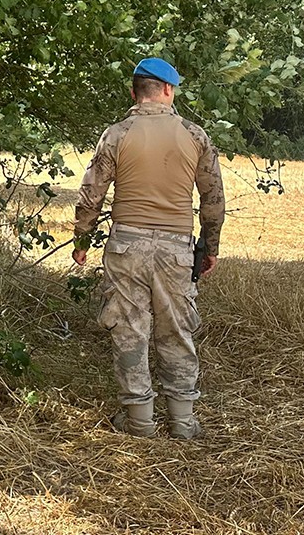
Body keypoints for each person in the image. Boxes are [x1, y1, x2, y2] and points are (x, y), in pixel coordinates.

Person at [71, 58, 225, 439]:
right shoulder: (195, 135)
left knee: (129, 331)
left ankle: (140, 422)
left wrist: (82, 238)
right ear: (169, 90)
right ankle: (184, 422)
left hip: (127, 247)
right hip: (176, 248)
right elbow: (213, 198)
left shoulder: (116, 134)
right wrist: (209, 247)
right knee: (177, 331)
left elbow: (91, 193)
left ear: (134, 91)